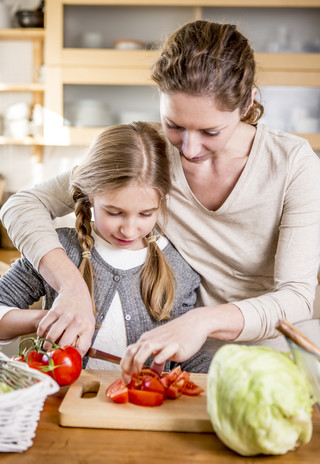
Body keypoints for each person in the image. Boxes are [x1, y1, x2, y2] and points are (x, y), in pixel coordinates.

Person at [1, 21, 320, 381]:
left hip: (264, 358)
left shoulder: (293, 164)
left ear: (247, 103)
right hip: (176, 362)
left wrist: (202, 321)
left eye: (210, 132)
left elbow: (297, 297)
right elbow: (21, 204)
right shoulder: (149, 154)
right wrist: (72, 287)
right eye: (175, 125)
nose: (188, 149)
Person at [0, 121, 210, 374]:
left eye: (146, 214)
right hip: (62, 406)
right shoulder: (60, 250)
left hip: (146, 410)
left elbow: (184, 359)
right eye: (114, 212)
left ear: (162, 201)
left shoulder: (178, 266)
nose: (129, 230)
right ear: (89, 197)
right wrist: (48, 319)